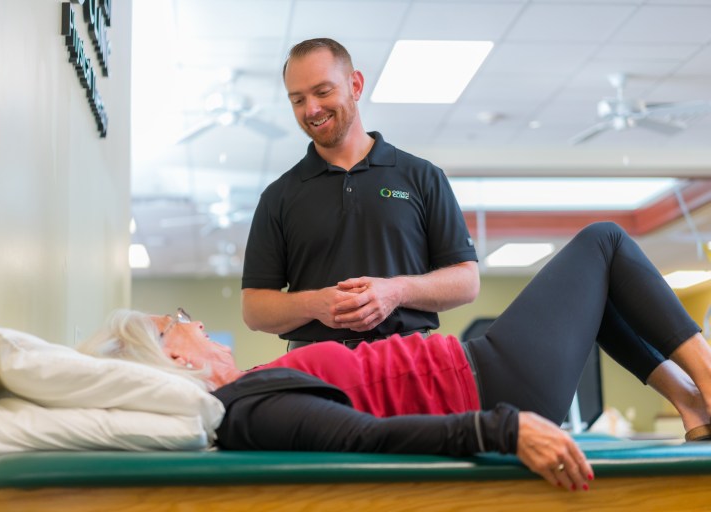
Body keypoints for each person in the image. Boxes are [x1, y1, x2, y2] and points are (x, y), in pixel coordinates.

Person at [81, 222, 711, 492]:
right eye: (178, 326)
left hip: (481, 370)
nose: (194, 324)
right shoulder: (244, 411)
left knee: (597, 295)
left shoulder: (247, 388)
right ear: (175, 360)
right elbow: (365, 438)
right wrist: (505, 428)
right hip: (488, 386)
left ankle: (694, 409)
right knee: (603, 243)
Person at [241, 37, 480, 350]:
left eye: (323, 91)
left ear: (355, 85)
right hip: (315, 369)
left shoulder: (422, 176)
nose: (311, 109)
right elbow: (254, 308)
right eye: (297, 100)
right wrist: (313, 304)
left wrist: (397, 291)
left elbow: (466, 281)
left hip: (406, 359)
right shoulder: (279, 196)